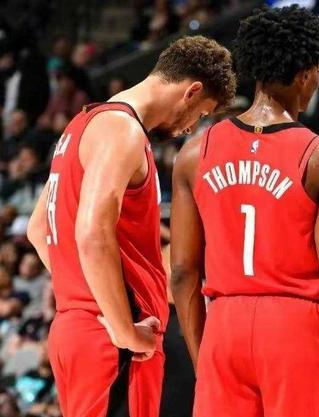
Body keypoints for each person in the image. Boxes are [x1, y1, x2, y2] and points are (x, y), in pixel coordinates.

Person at [170, 6, 319, 417]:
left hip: (223, 326)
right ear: (306, 74)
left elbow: (182, 273)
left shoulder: (193, 154)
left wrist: (203, 358)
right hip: (294, 330)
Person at [26, 35, 236, 417]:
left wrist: (86, 297)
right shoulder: (122, 131)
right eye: (201, 114)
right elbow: (92, 234)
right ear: (191, 91)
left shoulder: (83, 122)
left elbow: (39, 230)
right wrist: (123, 328)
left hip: (79, 330)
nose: (191, 128)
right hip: (113, 341)